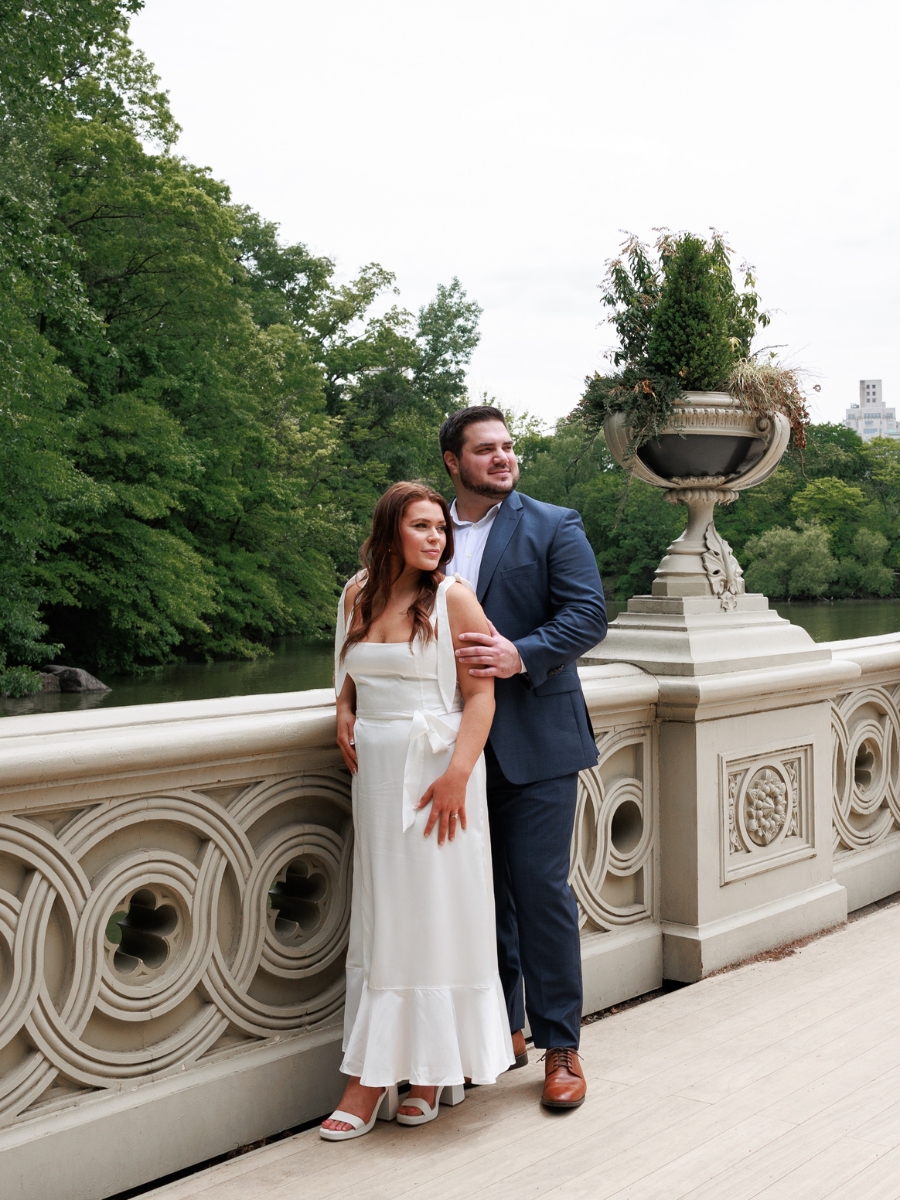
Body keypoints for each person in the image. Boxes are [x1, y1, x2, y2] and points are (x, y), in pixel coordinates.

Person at [320, 481, 514, 1142]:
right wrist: (345, 708)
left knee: (434, 913)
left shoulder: (454, 597)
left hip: (439, 774)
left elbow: (481, 698)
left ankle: (420, 1073)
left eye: (441, 528)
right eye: (422, 527)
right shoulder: (357, 593)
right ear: (389, 531)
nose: (436, 537)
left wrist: (459, 774)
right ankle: (383, 1067)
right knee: (385, 915)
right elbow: (350, 672)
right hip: (375, 774)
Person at [440, 405, 607, 1110]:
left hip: (537, 737)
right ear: (454, 461)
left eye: (509, 447)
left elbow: (587, 616)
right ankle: (503, 1027)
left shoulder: (554, 524)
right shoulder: (425, 529)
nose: (503, 458)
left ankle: (560, 1046)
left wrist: (519, 654)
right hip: (447, 745)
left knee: (539, 892)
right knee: (479, 896)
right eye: (486, 450)